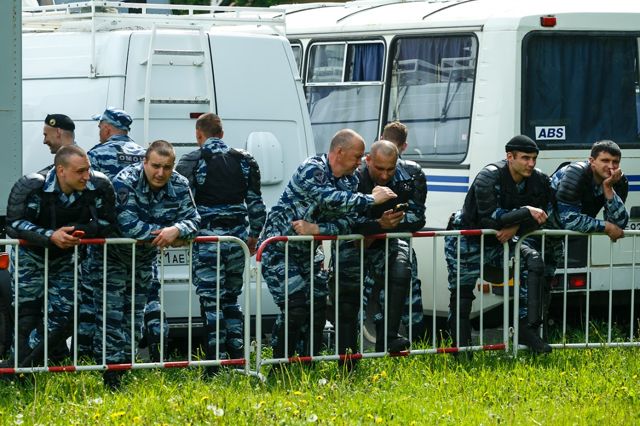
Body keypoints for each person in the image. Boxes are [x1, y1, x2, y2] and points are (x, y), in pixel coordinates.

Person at [259, 129, 397, 362]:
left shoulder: (350, 181)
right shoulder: (312, 169)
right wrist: (371, 199)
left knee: (316, 309)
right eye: (357, 156)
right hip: (279, 250)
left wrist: (317, 229)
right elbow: (330, 198)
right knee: (295, 307)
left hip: (309, 253)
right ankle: (279, 365)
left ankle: (307, 365)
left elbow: (348, 222)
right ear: (340, 152)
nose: (361, 162)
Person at [4, 145, 115, 367]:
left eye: (88, 169)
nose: (86, 176)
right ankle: (20, 371)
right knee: (27, 317)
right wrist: (50, 236)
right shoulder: (32, 186)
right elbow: (13, 224)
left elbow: (108, 222)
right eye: (80, 171)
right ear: (61, 170)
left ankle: (22, 365)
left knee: (65, 317)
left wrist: (80, 230)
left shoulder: (99, 186)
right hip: (30, 258)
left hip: (65, 259)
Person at [102, 140, 200, 388]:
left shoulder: (179, 183)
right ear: (144, 162)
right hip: (111, 259)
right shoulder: (126, 181)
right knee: (111, 318)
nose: (160, 173)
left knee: (134, 319)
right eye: (155, 166)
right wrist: (166, 235)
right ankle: (109, 375)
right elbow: (128, 224)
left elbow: (194, 220)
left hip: (143, 261)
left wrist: (177, 229)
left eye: (167, 167)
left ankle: (124, 370)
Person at [444, 135, 553, 355]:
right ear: (510, 157)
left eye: (534, 158)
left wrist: (516, 226)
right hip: (468, 239)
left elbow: (545, 215)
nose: (531, 163)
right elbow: (489, 218)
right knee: (462, 296)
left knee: (534, 262)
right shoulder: (489, 175)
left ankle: (527, 329)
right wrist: (525, 212)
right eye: (525, 158)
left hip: (503, 239)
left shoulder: (539, 180)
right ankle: (461, 350)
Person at [176, 113, 266, 370]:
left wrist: (181, 233)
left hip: (207, 241)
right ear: (222, 134)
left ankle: (214, 363)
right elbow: (256, 204)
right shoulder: (245, 160)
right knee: (231, 299)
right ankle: (238, 358)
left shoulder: (192, 161)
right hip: (237, 240)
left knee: (210, 301)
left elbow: (183, 204)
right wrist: (253, 236)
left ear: (198, 135)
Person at [332, 140, 426, 363]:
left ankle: (389, 337)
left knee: (402, 269)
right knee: (348, 302)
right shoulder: (350, 178)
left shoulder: (410, 176)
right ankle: (347, 361)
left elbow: (418, 218)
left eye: (390, 169)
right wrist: (378, 223)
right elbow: (346, 222)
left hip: (385, 241)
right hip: (353, 244)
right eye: (379, 168)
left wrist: (384, 226)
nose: (385, 175)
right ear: (368, 161)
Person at [381, 121, 428, 342]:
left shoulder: (409, 171)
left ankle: (359, 351)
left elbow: (417, 218)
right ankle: (418, 348)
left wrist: (382, 223)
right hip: (397, 245)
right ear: (405, 145)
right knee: (410, 295)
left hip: (377, 244)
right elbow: (417, 218)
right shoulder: (412, 171)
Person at [550, 140, 628, 241]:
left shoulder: (617, 181)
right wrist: (606, 227)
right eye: (605, 160)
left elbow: (618, 225)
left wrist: (608, 188)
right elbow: (569, 220)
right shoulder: (575, 173)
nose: (611, 166)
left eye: (615, 162)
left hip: (566, 237)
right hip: (538, 235)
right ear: (592, 161)